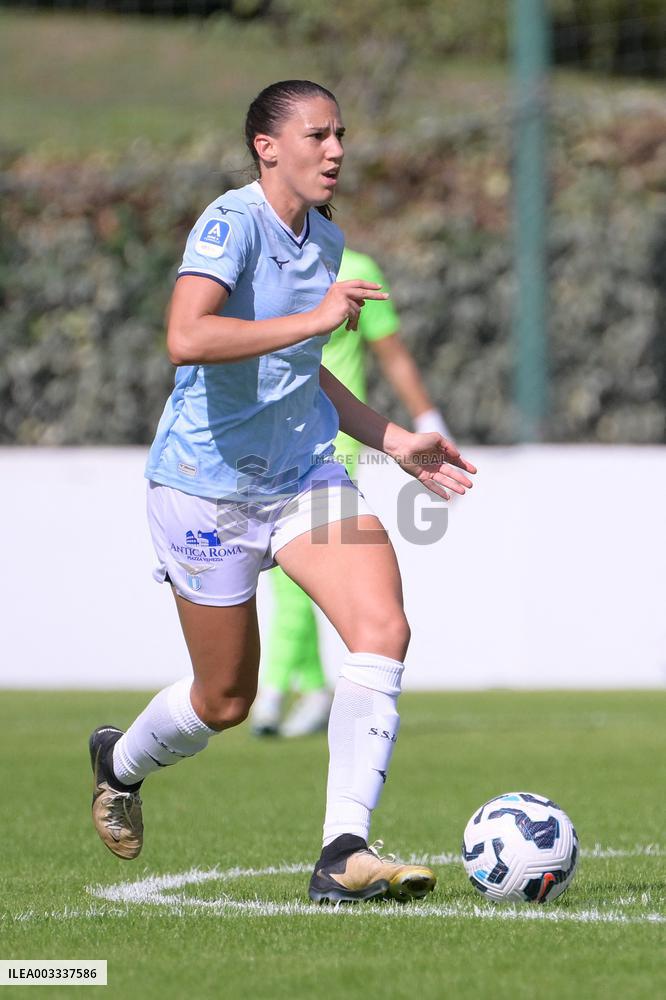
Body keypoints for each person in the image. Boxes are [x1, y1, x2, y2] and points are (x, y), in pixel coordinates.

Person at [88, 79, 476, 905]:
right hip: (204, 490)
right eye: (316, 135)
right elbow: (186, 336)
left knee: (383, 626)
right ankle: (119, 763)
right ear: (267, 146)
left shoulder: (327, 241)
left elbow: (306, 380)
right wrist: (312, 319)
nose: (335, 150)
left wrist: (393, 439)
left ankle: (344, 848)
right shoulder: (231, 221)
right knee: (225, 699)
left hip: (301, 477)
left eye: (341, 135)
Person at [252, 246, 451, 738]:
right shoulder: (268, 269)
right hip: (276, 432)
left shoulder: (359, 269)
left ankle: (273, 692)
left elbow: (391, 353)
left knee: (307, 556)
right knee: (284, 570)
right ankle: (315, 688)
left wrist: (427, 420)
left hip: (336, 436)